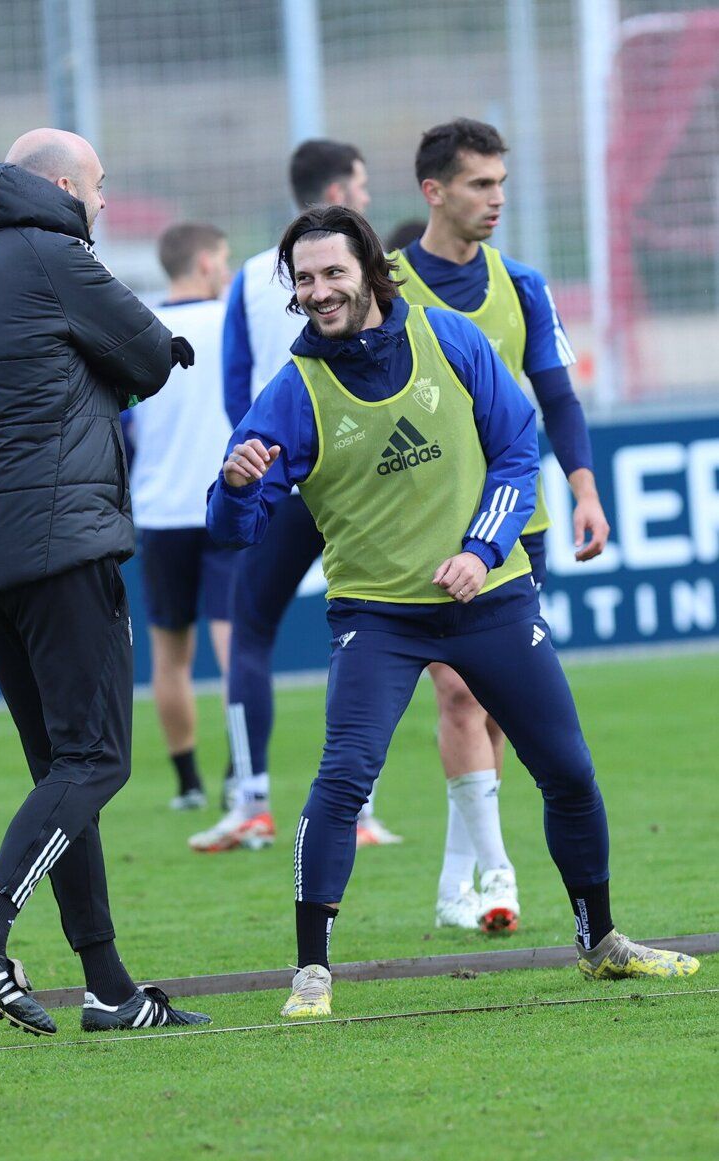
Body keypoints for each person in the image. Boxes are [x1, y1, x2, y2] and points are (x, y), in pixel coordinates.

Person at [207, 204, 699, 1018]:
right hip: (379, 618)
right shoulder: (293, 393)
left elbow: (517, 445)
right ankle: (311, 974)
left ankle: (600, 942)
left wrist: (480, 546)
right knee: (342, 779)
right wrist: (232, 488)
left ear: (369, 268)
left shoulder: (449, 339)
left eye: (334, 272)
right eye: (304, 279)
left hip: (492, 597)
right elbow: (236, 533)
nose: (321, 290)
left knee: (569, 771)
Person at [0, 128, 209, 1036]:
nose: (101, 202)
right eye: (96, 187)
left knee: (61, 770)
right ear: (56, 185)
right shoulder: (54, 257)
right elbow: (151, 356)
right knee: (96, 762)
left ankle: (109, 988)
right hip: (61, 547)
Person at [389, 119, 611, 933]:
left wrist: (584, 490)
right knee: (455, 688)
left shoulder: (522, 283)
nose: (497, 200)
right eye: (481, 184)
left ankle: (460, 879)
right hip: (424, 526)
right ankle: (498, 869)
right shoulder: (385, 284)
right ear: (434, 192)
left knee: (492, 705)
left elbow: (557, 394)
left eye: (502, 184)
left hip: (520, 520)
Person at [190, 138, 400, 852]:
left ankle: (252, 803)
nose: (368, 198)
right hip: (359, 479)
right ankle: (362, 809)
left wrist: (258, 471)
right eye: (363, 187)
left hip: (281, 479)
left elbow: (234, 386)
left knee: (251, 632)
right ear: (340, 187)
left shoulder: (252, 274)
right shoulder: (371, 268)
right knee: (377, 629)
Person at [128, 222, 237, 812]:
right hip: (225, 501)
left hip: (160, 509)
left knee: (171, 655)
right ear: (202, 262)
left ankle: (189, 783)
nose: (226, 268)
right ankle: (242, 775)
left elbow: (122, 425)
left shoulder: (137, 327)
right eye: (222, 258)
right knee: (234, 646)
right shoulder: (231, 323)